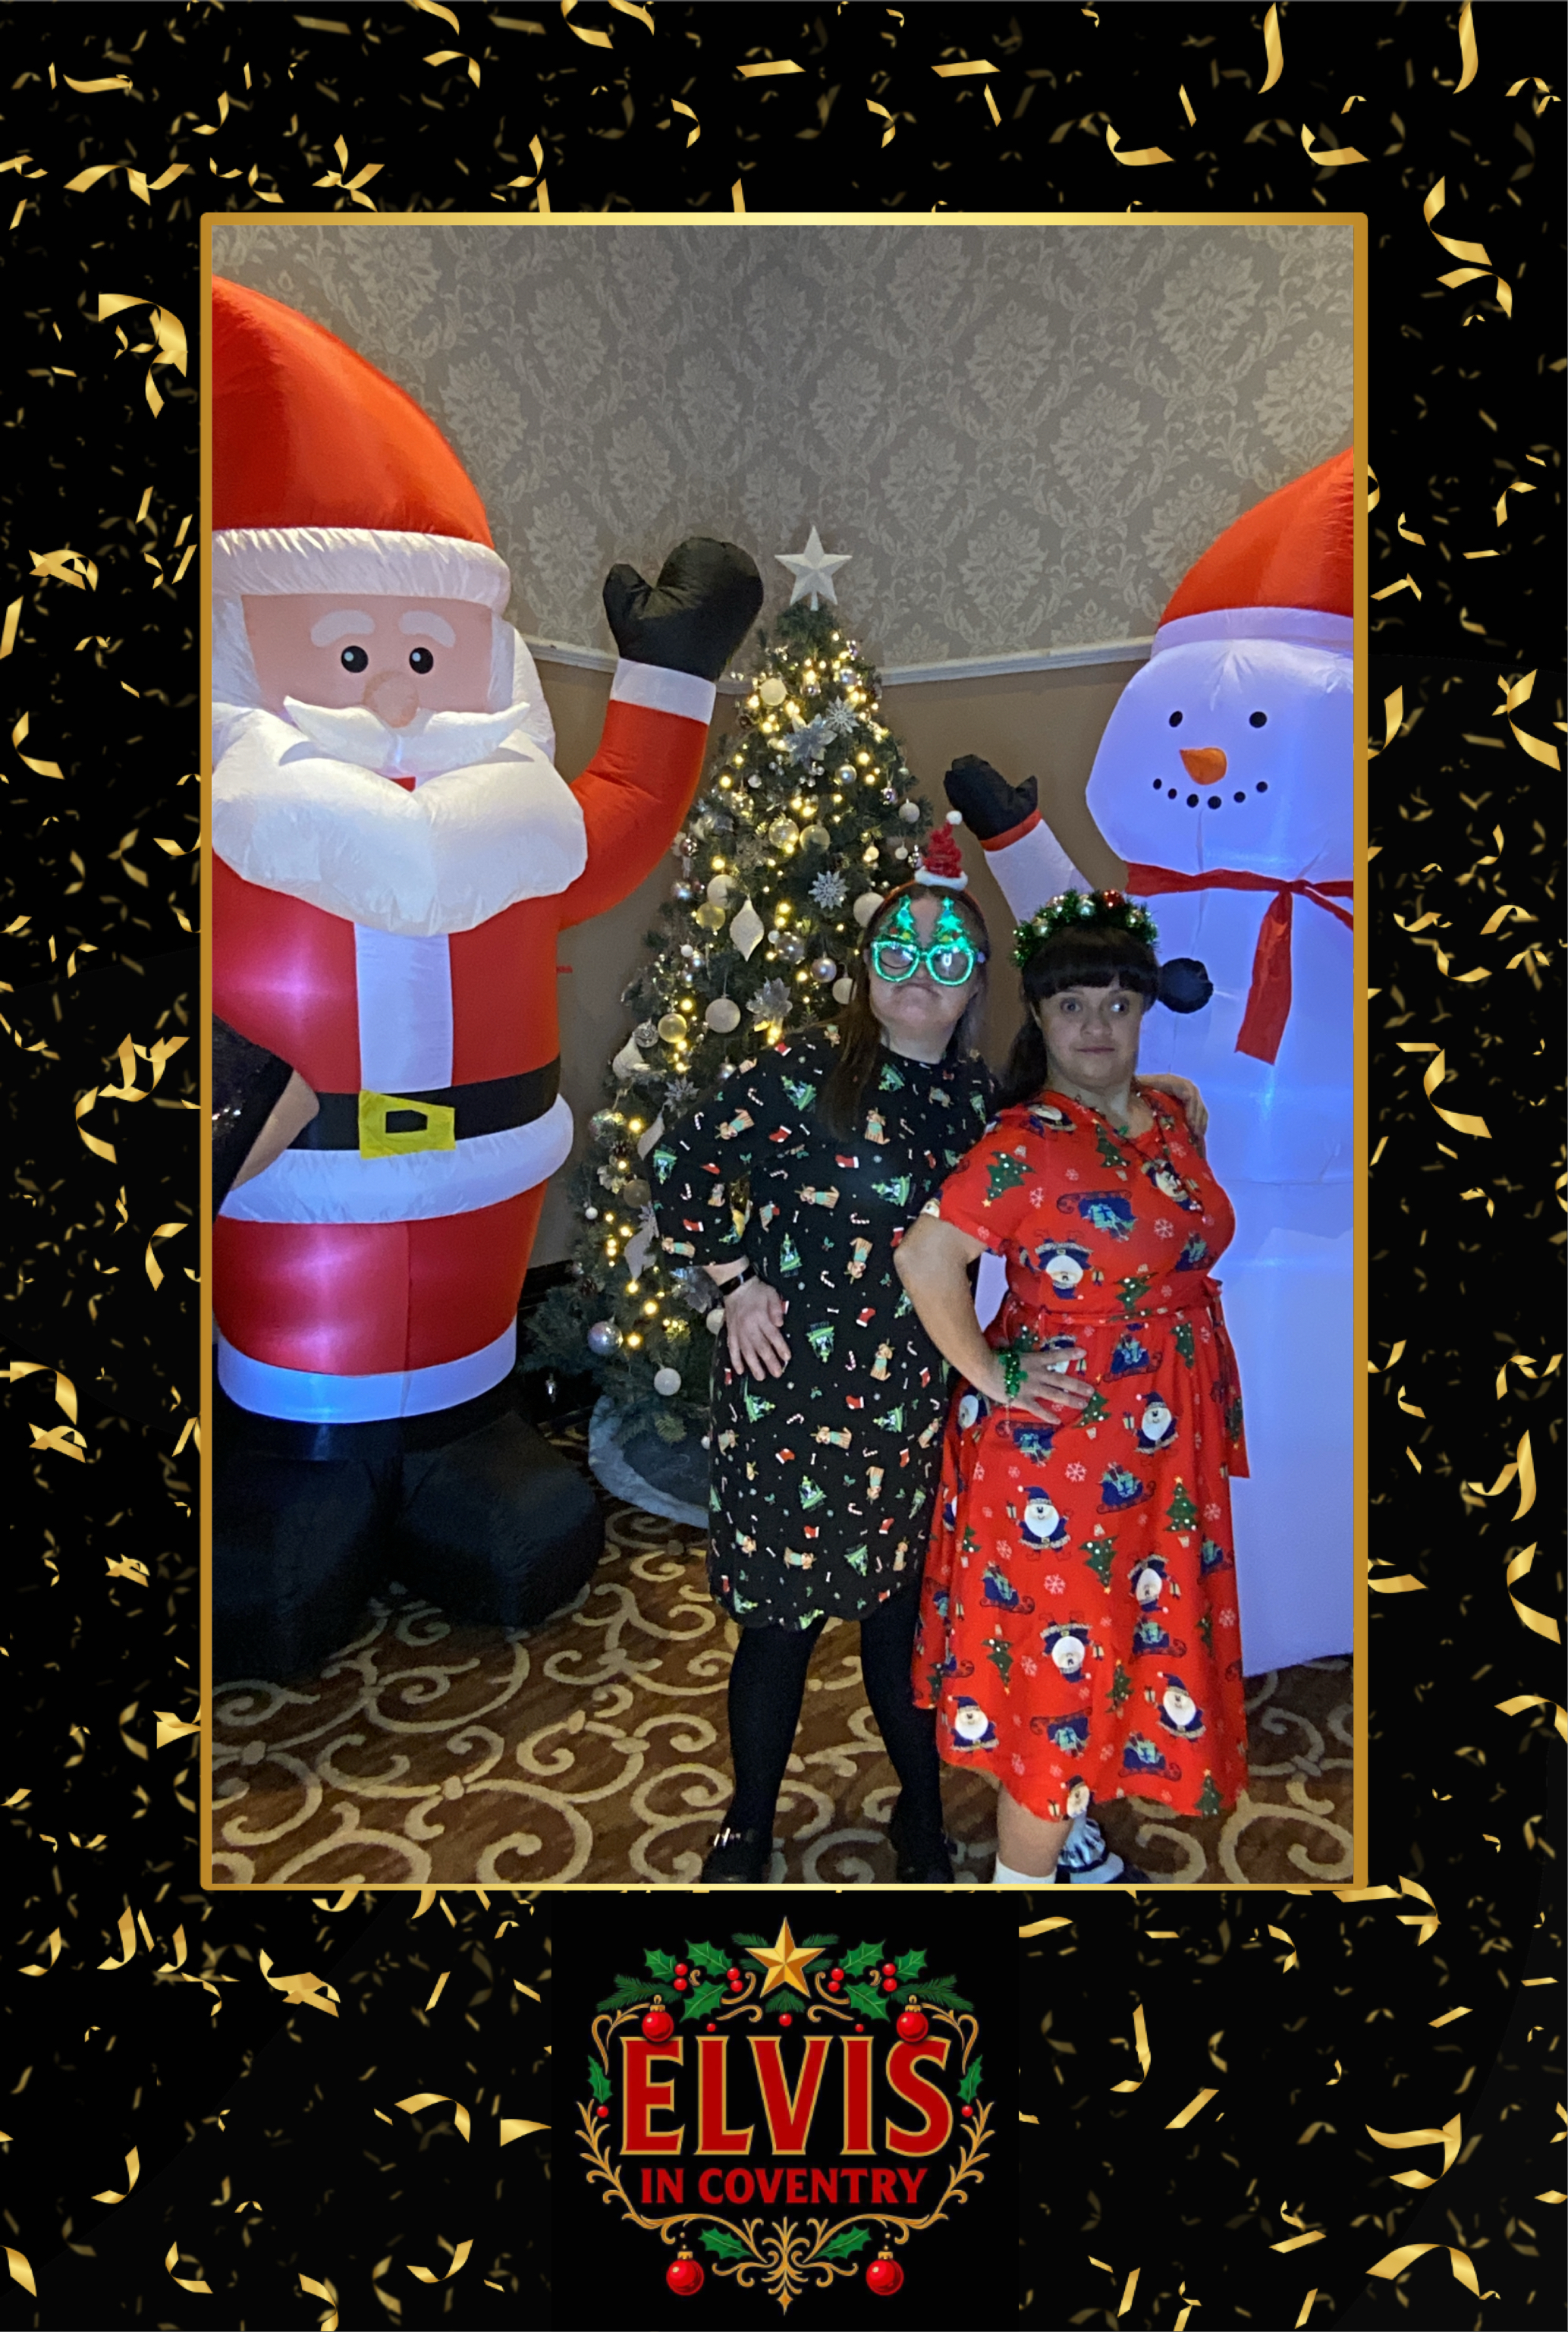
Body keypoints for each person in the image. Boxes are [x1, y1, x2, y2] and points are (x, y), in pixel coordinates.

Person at [652, 825, 1208, 1885]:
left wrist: (1163, 1086)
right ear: (868, 970)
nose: (919, 974)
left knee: (898, 1624)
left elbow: (1070, 1113)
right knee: (777, 1628)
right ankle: (748, 1821)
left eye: (946, 957)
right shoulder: (800, 1074)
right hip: (785, 1398)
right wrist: (734, 1281)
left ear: (974, 985)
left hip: (911, 1404)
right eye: (897, 953)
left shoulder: (975, 1103)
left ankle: (920, 1812)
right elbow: (681, 1163)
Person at [894, 888, 1249, 1887]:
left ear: (1144, 1010)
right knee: (1062, 1680)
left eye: (1118, 1004)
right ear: (1041, 1019)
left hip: (1163, 1441)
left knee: (1119, 1650)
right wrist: (991, 1371)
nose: (1097, 1026)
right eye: (1072, 1007)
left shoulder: (1171, 1113)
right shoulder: (1021, 1146)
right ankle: (1021, 1883)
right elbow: (925, 1258)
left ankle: (1073, 1821)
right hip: (1064, 1456)